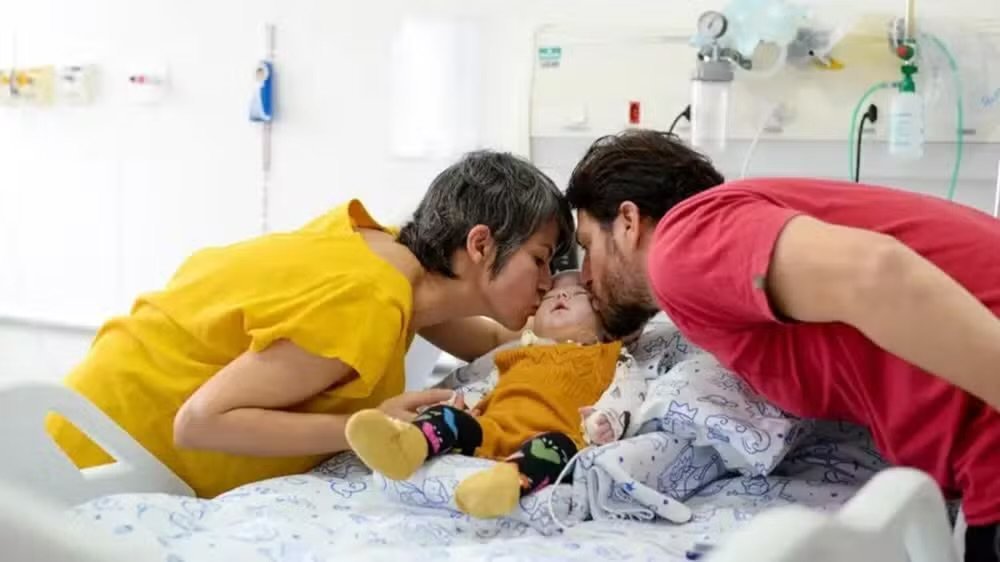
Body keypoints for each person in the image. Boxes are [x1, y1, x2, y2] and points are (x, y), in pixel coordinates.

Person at [564, 129, 1000, 561]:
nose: (582, 277)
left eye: (587, 246)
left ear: (628, 222)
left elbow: (874, 272)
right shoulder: (728, 243)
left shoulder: (680, 247)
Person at [46, 150, 574, 498]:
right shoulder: (369, 299)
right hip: (95, 455)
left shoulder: (394, 261)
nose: (549, 282)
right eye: (541, 260)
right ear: (481, 244)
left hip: (83, 415)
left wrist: (587, 320)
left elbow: (493, 341)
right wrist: (368, 425)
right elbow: (200, 421)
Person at [344, 271, 645, 518]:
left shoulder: (610, 356)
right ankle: (406, 445)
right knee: (448, 416)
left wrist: (606, 420)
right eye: (550, 296)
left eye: (578, 295)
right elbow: (486, 385)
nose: (560, 296)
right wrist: (464, 407)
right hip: (492, 427)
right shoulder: (516, 353)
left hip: (552, 432)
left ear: (608, 325)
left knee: (557, 449)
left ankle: (503, 483)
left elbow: (628, 394)